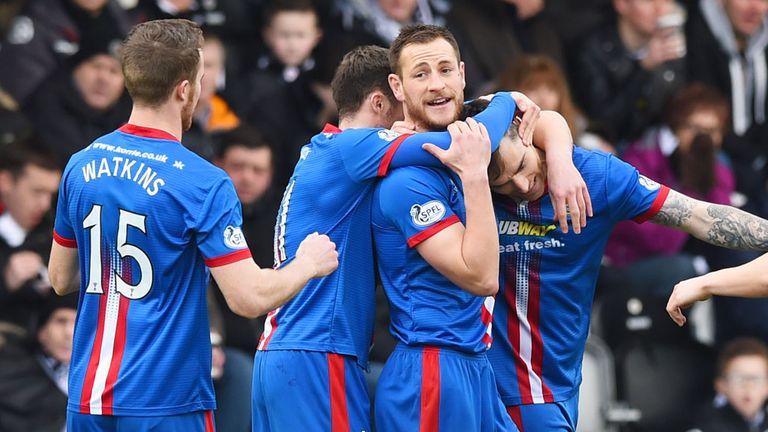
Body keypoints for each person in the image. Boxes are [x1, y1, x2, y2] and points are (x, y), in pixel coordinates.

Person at [252, 40, 587, 430]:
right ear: (383, 100)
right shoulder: (355, 147)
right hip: (318, 350)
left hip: (293, 347)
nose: (406, 124)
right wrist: (507, 99)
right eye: (404, 102)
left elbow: (463, 121)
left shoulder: (330, 152)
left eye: (445, 72)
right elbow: (461, 142)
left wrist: (556, 152)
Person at [47, 19, 338, 432]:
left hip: (88, 397)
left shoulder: (81, 164)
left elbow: (61, 277)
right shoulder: (202, 181)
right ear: (184, 89)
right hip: (165, 401)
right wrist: (308, 262)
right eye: (201, 79)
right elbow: (249, 298)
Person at [479, 101, 768, 431]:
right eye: (502, 183)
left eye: (520, 167)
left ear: (529, 136)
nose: (519, 185)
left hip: (551, 382)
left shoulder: (597, 176)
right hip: (476, 377)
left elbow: (698, 216)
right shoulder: (463, 178)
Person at [371, 24, 585, 431]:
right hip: (431, 370)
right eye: (421, 74)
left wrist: (560, 159)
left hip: (475, 366)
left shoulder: (465, 141)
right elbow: (482, 276)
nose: (437, 84)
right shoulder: (407, 180)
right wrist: (474, 174)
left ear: (463, 75)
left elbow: (542, 118)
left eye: (446, 70)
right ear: (397, 88)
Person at [571, 0, 686, 144]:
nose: (660, 9)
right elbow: (604, 122)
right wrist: (643, 69)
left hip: (654, 151)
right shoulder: (593, 50)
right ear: (622, 4)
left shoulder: (673, 47)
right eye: (648, 2)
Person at [0, 140, 61, 334]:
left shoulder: (55, 236)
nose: (44, 204)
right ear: (6, 182)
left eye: (50, 195)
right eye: (37, 192)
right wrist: (5, 282)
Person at [0, 290, 79, 432]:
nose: (69, 333)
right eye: (61, 321)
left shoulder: (101, 381)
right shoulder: (10, 369)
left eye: (78, 324)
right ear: (42, 331)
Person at [686, 337, 768, 432]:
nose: (748, 386)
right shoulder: (704, 426)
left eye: (756, 378)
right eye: (738, 379)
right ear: (721, 385)